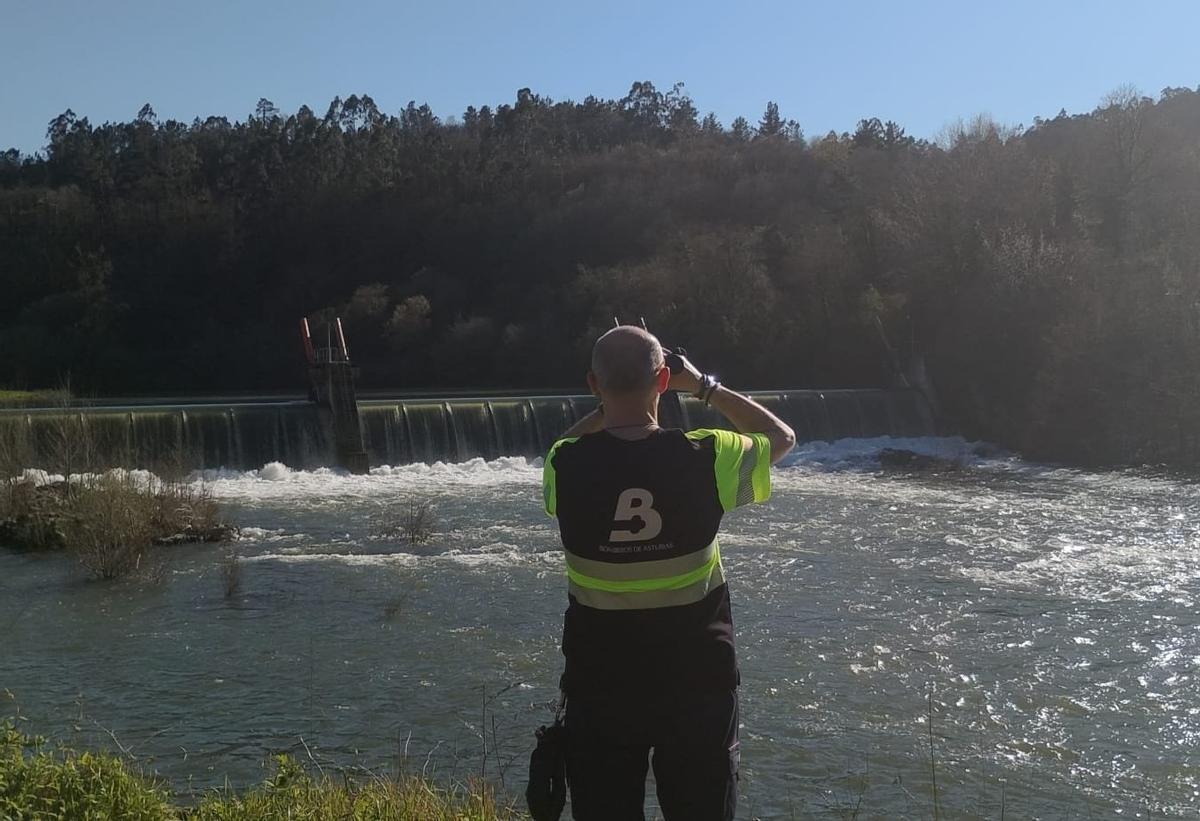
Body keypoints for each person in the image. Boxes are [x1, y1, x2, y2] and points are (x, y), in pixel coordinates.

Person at [542, 325, 796, 821]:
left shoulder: (564, 465)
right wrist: (701, 385)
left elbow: (563, 446)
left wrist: (608, 405)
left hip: (600, 687)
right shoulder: (707, 455)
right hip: (697, 685)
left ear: (593, 384)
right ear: (662, 381)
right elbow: (781, 437)